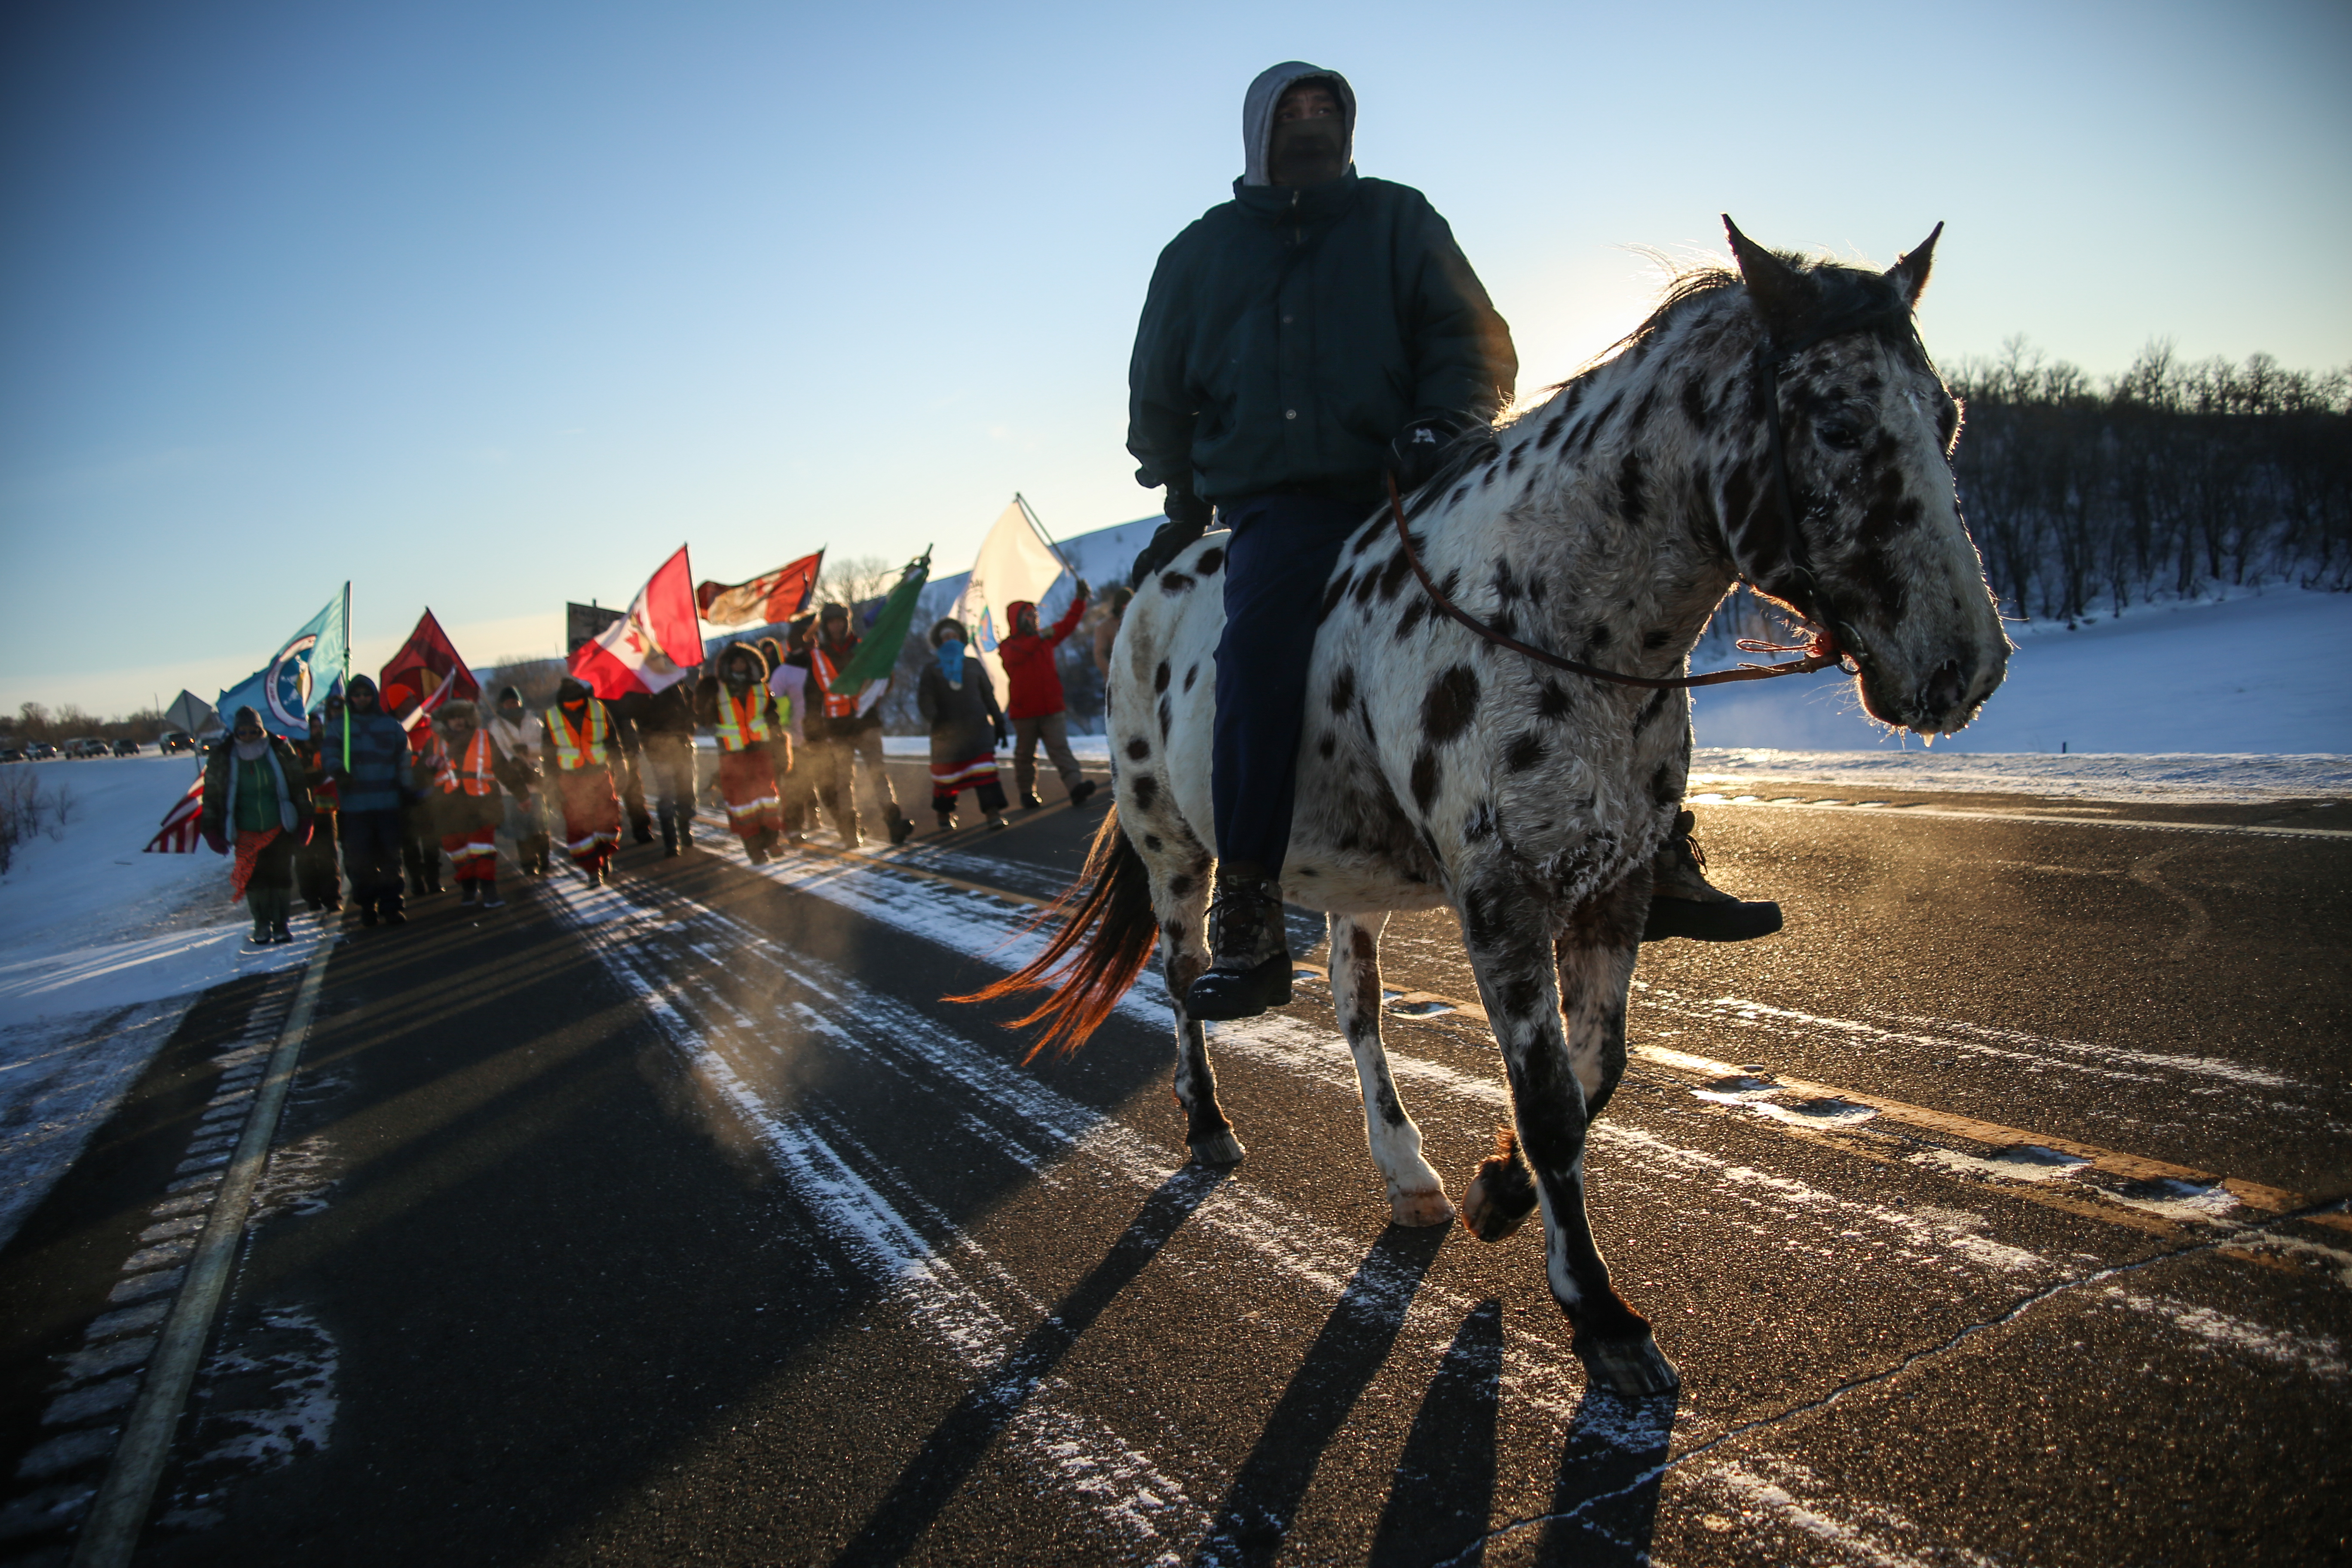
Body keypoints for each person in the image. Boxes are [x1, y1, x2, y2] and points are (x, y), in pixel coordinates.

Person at [1125, 62, 1778, 1019]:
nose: (1311, 124)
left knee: (1584, 598)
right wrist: (1181, 491)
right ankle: (1254, 911)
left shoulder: (1398, 220)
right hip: (1285, 502)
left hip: (1417, 476)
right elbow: (1159, 388)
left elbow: (1474, 337)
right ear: (1259, 131)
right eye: (1293, 112)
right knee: (1258, 653)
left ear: (1348, 127)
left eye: (1326, 110)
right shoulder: (1200, 255)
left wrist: (1449, 415)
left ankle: (1660, 843)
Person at [199, 706, 314, 945]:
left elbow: (299, 786)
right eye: (243, 732)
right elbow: (211, 795)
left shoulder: (280, 751)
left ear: (261, 730)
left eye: (254, 731)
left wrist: (306, 819)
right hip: (244, 830)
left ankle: (281, 924)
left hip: (278, 825)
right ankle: (262, 924)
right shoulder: (223, 757)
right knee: (255, 879)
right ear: (235, 733)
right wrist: (210, 829)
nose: (248, 736)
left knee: (280, 877)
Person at [805, 602, 915, 846]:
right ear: (825, 625)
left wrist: (887, 674)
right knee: (844, 782)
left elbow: (883, 681)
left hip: (866, 722)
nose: (837, 625)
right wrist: (813, 733)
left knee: (879, 774)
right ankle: (849, 830)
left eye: (840, 620)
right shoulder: (817, 656)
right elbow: (813, 697)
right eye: (832, 621)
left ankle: (894, 823)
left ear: (848, 622)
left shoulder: (866, 648)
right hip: (837, 728)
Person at [325, 674, 418, 927]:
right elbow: (329, 753)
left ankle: (393, 906)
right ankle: (367, 905)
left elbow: (404, 758)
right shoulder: (339, 727)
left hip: (387, 803)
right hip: (355, 807)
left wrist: (407, 788)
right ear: (351, 698)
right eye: (357, 695)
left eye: (367, 694)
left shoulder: (390, 726)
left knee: (390, 858)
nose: (362, 699)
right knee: (359, 861)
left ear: (374, 696)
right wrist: (339, 772)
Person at [998, 587, 1098, 811]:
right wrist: (1041, 636)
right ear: (1017, 619)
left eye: (1035, 615)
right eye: (1029, 615)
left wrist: (1080, 601)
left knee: (1060, 749)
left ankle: (1076, 788)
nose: (1034, 618)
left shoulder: (1044, 638)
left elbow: (1068, 625)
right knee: (1025, 755)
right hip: (1025, 712)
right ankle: (1027, 793)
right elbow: (1019, 654)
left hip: (1052, 708)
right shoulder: (1008, 646)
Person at [427, 700, 524, 908]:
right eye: (453, 718)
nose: (459, 721)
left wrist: (522, 795)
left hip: (483, 806)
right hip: (449, 809)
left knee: (483, 851)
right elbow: (420, 777)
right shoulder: (434, 743)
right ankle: (469, 889)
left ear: (470, 718)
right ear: (446, 721)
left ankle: (490, 892)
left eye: (462, 716)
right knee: (459, 853)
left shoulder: (484, 738)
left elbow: (503, 769)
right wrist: (429, 768)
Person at [696, 643, 787, 862]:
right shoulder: (717, 690)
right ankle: (754, 847)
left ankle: (772, 840)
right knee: (742, 802)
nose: (740, 665)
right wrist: (703, 695)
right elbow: (704, 719)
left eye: (743, 661)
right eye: (735, 661)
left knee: (767, 797)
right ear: (728, 665)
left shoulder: (761, 688)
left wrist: (779, 743)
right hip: (732, 753)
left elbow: (773, 717)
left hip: (761, 750)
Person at [917, 619, 1010, 832]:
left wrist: (999, 722)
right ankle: (944, 815)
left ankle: (993, 814)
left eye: (954, 637)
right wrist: (934, 717)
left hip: (978, 730)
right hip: (946, 733)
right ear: (939, 642)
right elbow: (925, 698)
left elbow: (988, 695)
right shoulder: (931, 669)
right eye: (946, 638)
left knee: (985, 772)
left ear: (961, 639)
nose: (950, 641)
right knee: (946, 778)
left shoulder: (973, 664)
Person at [545, 676, 623, 885]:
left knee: (591, 824)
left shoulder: (596, 709)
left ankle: (597, 863)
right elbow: (614, 741)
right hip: (577, 779)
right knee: (594, 822)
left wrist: (551, 786)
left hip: (590, 776)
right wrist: (621, 766)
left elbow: (612, 741)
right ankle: (595, 866)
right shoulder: (556, 716)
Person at [484, 685, 553, 876]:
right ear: (502, 705)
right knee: (522, 828)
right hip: (512, 786)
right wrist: (513, 760)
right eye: (509, 702)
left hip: (536, 779)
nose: (513, 704)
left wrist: (528, 749)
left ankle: (545, 857)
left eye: (515, 701)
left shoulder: (533, 722)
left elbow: (546, 746)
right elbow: (497, 752)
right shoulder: (496, 726)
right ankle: (529, 863)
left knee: (540, 824)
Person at [637, 671, 700, 857]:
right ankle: (672, 842)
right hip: (660, 749)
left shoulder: (678, 682)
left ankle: (684, 827)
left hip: (682, 745)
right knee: (667, 795)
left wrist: (690, 725)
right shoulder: (645, 687)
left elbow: (692, 708)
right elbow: (639, 717)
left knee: (687, 791)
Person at [294, 704, 343, 913]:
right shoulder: (290, 752)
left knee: (328, 856)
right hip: (301, 813)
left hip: (325, 811)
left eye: (316, 726)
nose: (314, 730)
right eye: (310, 727)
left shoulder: (327, 748)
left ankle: (332, 899)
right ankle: (312, 900)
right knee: (304, 859)